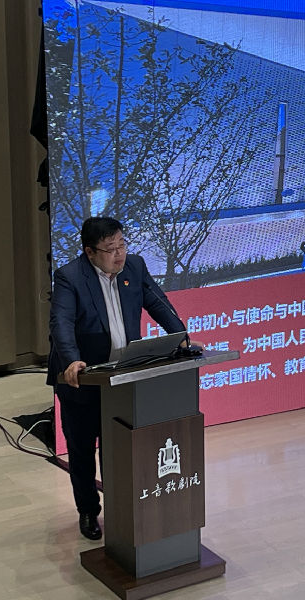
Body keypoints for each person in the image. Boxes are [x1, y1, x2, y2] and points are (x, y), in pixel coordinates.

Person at [46, 216, 185, 540]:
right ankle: (88, 511)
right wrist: (72, 360)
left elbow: (159, 304)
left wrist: (182, 338)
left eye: (122, 245)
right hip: (83, 379)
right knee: (82, 450)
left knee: (119, 446)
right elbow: (61, 323)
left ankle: (120, 509)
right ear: (90, 252)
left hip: (122, 377)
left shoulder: (134, 267)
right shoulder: (70, 277)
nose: (119, 254)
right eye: (111, 249)